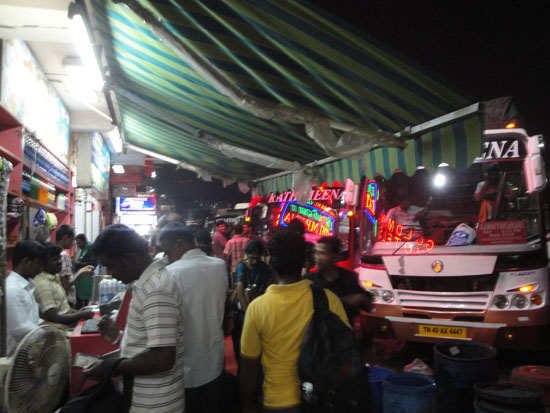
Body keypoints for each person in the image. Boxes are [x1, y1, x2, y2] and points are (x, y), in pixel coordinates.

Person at [240, 229, 350, 413]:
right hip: (319, 398)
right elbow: (346, 351)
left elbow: (249, 367)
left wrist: (248, 406)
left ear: (271, 265)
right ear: (304, 263)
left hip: (276, 402)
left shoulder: (258, 308)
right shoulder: (328, 299)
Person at [83, 224, 184, 413]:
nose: (110, 273)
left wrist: (110, 366)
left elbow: (163, 358)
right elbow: (150, 345)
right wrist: (119, 337)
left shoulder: (156, 289)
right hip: (145, 399)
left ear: (129, 259)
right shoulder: (147, 283)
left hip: (155, 404)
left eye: (111, 266)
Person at [165, 224, 228, 413]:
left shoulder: (171, 272)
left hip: (184, 366)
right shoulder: (219, 266)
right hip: (214, 358)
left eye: (167, 251)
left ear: (178, 244)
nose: (167, 257)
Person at [305, 237, 371, 324]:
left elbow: (367, 305)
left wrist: (362, 299)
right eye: (316, 252)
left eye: (322, 253)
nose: (317, 257)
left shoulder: (349, 277)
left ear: (336, 256)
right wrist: (346, 300)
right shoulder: (310, 280)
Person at [34, 243, 95, 326]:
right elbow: (54, 317)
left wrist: (79, 312)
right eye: (55, 259)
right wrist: (81, 314)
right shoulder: (42, 284)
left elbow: (64, 309)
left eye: (59, 258)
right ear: (44, 263)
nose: (59, 262)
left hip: (68, 321)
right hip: (62, 327)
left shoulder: (55, 277)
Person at [232, 239, 272, 364]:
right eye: (252, 258)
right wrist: (248, 312)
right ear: (247, 254)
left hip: (260, 310)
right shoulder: (242, 266)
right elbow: (240, 289)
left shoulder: (263, 267)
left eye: (257, 258)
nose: (254, 261)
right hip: (245, 311)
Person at [5, 241, 47, 355]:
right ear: (26, 262)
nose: (41, 269)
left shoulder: (27, 285)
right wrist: (49, 334)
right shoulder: (12, 288)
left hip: (28, 352)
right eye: (39, 264)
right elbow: (20, 329)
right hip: (16, 357)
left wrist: (49, 325)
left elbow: (31, 318)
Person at [55, 225, 77, 307]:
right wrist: (80, 273)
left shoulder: (54, 254)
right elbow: (66, 284)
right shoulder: (64, 255)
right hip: (67, 299)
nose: (72, 243)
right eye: (72, 240)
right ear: (65, 237)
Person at [74, 233, 98, 308]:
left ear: (84, 241)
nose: (78, 245)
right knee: (80, 299)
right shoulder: (83, 249)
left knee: (86, 299)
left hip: (86, 277)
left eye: (79, 243)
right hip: (81, 278)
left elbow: (93, 263)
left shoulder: (91, 248)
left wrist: (79, 263)